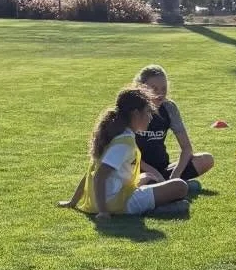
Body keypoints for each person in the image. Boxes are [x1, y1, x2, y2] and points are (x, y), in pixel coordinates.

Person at [61, 88, 200, 220]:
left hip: (114, 198)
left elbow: (91, 173)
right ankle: (157, 209)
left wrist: (73, 202)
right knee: (180, 186)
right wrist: (103, 212)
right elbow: (99, 176)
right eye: (148, 112)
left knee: (147, 177)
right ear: (135, 114)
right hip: (118, 203)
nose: (150, 118)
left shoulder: (115, 135)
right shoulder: (124, 144)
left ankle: (164, 197)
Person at [133, 64, 215, 184]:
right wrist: (154, 173)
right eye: (154, 88)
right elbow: (128, 155)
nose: (160, 93)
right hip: (135, 170)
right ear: (141, 88)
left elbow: (187, 148)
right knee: (143, 178)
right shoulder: (132, 109)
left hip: (163, 169)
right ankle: (167, 186)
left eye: (164, 89)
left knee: (206, 159)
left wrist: (175, 175)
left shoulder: (169, 107)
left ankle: (168, 185)